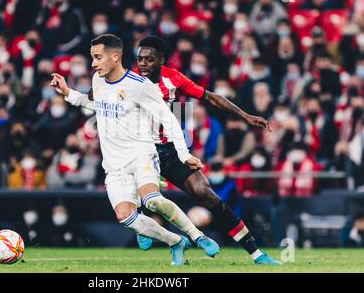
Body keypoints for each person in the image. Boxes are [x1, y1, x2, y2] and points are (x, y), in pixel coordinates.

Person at [50, 34, 219, 266]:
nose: (93, 63)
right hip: (114, 164)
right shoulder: (98, 80)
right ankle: (175, 241)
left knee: (152, 201)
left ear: (115, 56)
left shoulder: (140, 86)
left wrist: (185, 155)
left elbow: (169, 120)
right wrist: (68, 93)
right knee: (125, 216)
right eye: (92, 58)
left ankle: (198, 236)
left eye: (98, 58)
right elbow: (98, 105)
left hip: (141, 154)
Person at [129, 35, 281, 265]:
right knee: (147, 197)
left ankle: (256, 253)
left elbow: (211, 97)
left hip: (170, 150)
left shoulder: (174, 78)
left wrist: (245, 115)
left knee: (206, 193)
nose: (142, 64)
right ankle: (147, 225)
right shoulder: (129, 80)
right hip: (142, 150)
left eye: (148, 60)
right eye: (139, 59)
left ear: (161, 60)